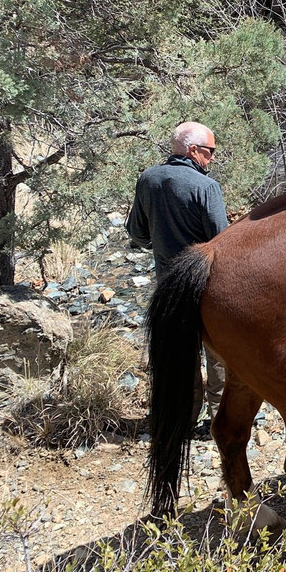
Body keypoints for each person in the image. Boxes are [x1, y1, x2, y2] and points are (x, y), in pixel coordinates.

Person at [126, 121, 228, 434]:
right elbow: (221, 241)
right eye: (209, 152)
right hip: (206, 288)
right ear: (193, 150)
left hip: (167, 287)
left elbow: (137, 233)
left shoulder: (148, 178)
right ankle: (220, 420)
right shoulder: (205, 187)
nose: (211, 159)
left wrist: (160, 240)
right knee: (219, 356)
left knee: (179, 359)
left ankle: (183, 419)